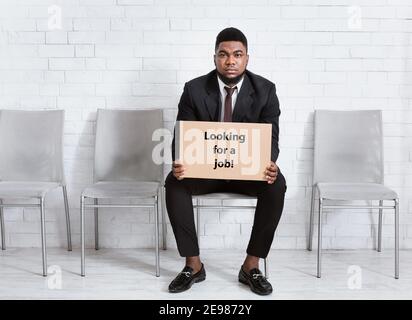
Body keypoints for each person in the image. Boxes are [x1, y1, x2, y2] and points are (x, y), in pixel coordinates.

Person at [165, 27, 286, 296]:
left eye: (237, 55)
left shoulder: (265, 90)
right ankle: (193, 265)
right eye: (223, 54)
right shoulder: (194, 89)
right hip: (206, 170)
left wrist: (269, 163)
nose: (230, 61)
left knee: (276, 185)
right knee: (174, 182)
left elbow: (271, 138)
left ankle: (251, 266)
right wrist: (180, 161)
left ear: (246, 59)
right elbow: (182, 133)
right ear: (215, 58)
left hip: (246, 171)